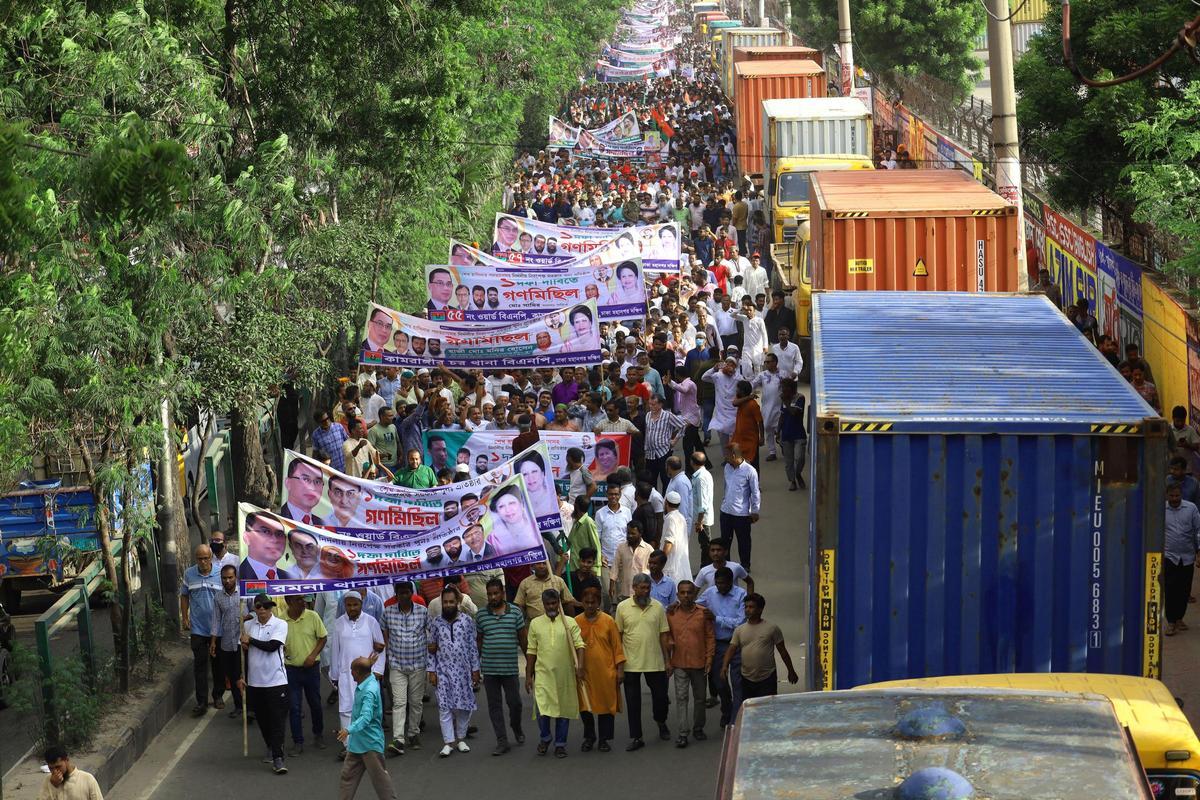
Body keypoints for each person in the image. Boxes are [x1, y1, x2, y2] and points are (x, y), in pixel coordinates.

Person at [525, 589, 587, 758]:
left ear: (559, 603)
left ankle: (560, 744)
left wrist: (580, 666)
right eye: (548, 604)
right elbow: (531, 650)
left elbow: (579, 645)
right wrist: (528, 674)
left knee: (563, 710)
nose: (552, 607)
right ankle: (545, 738)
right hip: (543, 674)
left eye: (554, 603)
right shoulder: (536, 624)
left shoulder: (569, 623)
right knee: (542, 710)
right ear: (543, 605)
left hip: (565, 675)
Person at [615, 573, 672, 750]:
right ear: (634, 588)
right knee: (633, 702)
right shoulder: (622, 607)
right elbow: (618, 636)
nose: (645, 591)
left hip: (655, 662)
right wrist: (619, 665)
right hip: (630, 663)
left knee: (661, 699)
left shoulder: (658, 607)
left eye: (648, 588)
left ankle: (661, 721)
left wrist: (667, 660)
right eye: (642, 588)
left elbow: (664, 635)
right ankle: (637, 737)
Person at [330, 593, 387, 756]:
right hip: (346, 674)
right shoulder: (339, 624)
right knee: (346, 708)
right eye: (349, 605)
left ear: (361, 604)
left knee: (367, 709)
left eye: (355, 605)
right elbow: (335, 650)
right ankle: (348, 747)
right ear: (344, 606)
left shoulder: (371, 621)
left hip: (368, 675)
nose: (352, 608)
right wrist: (335, 674)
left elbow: (380, 648)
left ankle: (367, 743)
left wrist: (378, 671)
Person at [427, 586, 481, 758]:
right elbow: (431, 648)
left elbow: (473, 647)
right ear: (441, 603)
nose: (448, 605)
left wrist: (475, 669)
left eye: (451, 602)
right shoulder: (436, 622)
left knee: (464, 706)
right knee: (444, 706)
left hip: (463, 671)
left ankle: (461, 738)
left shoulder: (467, 621)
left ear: (457, 602)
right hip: (443, 671)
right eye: (445, 602)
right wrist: (431, 671)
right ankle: (448, 742)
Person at [476, 577, 527, 755]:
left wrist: (530, 664)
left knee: (515, 703)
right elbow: (479, 642)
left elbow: (522, 639)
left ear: (503, 593)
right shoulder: (481, 615)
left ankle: (516, 726)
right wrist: (477, 667)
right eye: (489, 594)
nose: (492, 597)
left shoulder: (515, 612)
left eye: (496, 593)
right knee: (494, 706)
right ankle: (502, 740)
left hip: (510, 669)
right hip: (490, 669)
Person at [240, 593, 291, 774]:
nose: (262, 610)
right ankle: (271, 745)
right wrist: (242, 676)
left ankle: (278, 757)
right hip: (255, 682)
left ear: (271, 608)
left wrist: (251, 640)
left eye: (266, 606)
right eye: (259, 606)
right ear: (254, 608)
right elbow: (244, 654)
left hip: (276, 681)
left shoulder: (280, 624)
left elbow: (272, 646)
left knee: (277, 720)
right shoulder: (246, 625)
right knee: (262, 719)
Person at [721, 593, 799, 709]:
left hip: (767, 678)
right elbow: (731, 649)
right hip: (746, 678)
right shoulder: (739, 630)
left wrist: (791, 671)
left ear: (760, 609)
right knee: (750, 709)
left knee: (767, 709)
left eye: (751, 607)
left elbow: (783, 651)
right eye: (746, 607)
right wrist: (724, 666)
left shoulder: (772, 628)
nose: (747, 610)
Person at [574, 580, 625, 752]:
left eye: (593, 602)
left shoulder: (608, 621)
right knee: (585, 707)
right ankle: (589, 737)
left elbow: (617, 647)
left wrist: (620, 671)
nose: (589, 606)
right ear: (582, 602)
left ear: (598, 603)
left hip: (606, 672)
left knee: (606, 706)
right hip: (584, 673)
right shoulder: (575, 622)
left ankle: (604, 739)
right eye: (586, 602)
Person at [336, 656, 396, 800]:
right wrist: (370, 663)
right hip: (357, 743)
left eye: (352, 670)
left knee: (381, 781)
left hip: (370, 745)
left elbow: (366, 717)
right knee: (347, 777)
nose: (351, 673)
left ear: (357, 672)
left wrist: (348, 730)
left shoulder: (369, 691)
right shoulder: (368, 679)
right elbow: (366, 668)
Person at [667, 580, 715, 748]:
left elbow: (710, 637)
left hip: (700, 663)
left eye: (689, 592)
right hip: (679, 663)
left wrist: (709, 659)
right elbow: (667, 636)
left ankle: (698, 728)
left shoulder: (704, 614)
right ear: (678, 595)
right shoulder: (671, 614)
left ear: (694, 594)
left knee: (700, 699)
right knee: (681, 698)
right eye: (682, 593)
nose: (686, 596)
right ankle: (682, 733)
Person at [381, 580, 428, 756]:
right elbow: (384, 632)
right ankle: (398, 739)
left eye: (407, 592)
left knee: (416, 702)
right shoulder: (388, 612)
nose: (404, 596)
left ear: (412, 593)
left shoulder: (423, 612)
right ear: (396, 595)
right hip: (396, 665)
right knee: (399, 703)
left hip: (418, 664)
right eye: (401, 593)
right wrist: (386, 654)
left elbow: (428, 633)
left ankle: (413, 733)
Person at [697, 568, 747, 728]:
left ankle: (735, 719)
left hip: (737, 643)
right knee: (720, 681)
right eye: (718, 583)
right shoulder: (710, 592)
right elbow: (696, 605)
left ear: (731, 582)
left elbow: (740, 622)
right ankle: (727, 709)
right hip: (719, 645)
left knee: (738, 682)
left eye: (724, 584)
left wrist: (716, 618)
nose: (720, 587)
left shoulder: (741, 595)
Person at [282, 594, 328, 755]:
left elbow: (323, 638)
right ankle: (298, 741)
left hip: (311, 668)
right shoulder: (281, 621)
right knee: (294, 707)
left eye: (303, 599)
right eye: (298, 599)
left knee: (315, 703)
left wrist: (312, 655)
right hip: (291, 670)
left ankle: (318, 734)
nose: (303, 602)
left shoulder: (312, 616)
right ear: (288, 601)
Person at [180, 543, 222, 716]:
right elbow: (184, 596)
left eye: (206, 558)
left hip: (217, 629)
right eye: (200, 558)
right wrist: (185, 617)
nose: (203, 562)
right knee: (200, 666)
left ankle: (217, 695)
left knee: (218, 664)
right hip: (197, 628)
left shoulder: (220, 573)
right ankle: (202, 702)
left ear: (211, 557)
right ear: (196, 559)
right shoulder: (189, 574)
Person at [209, 564, 247, 719]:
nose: (227, 580)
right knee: (232, 675)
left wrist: (246, 617)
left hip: (242, 641)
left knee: (244, 674)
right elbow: (216, 620)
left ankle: (250, 706)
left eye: (230, 577)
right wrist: (213, 642)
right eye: (224, 578)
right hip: (226, 642)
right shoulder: (218, 597)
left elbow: (255, 611)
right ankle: (238, 706)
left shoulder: (244, 593)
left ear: (235, 577)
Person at [1165, 483, 1200, 636]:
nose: (1174, 499)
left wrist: (1199, 552)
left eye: (1177, 496)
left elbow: (1198, 530)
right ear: (1167, 496)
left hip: (1187, 557)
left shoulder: (1191, 509)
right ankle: (1171, 621)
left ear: (1181, 495)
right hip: (1169, 556)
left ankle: (1180, 618)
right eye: (1171, 496)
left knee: (1184, 590)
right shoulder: (1161, 510)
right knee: (1170, 589)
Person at [721, 444, 761, 570]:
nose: (724, 457)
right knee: (725, 541)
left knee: (743, 542)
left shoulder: (750, 471)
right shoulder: (727, 467)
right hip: (726, 511)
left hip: (741, 514)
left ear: (733, 455)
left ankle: (745, 565)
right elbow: (726, 487)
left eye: (726, 454)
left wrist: (755, 511)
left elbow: (755, 492)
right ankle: (725, 565)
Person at [239, 511, 294, 582]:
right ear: (246, 537)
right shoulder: (236, 575)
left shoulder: (289, 578)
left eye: (279, 534)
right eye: (265, 532)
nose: (275, 540)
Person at [38, 745, 103, 800]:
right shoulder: (49, 780)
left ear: (67, 760)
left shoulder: (87, 779)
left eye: (58, 767)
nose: (55, 771)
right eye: (51, 768)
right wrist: (54, 786)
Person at [613, 520, 654, 603]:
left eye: (633, 533)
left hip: (642, 592)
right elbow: (615, 566)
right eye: (628, 533)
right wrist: (612, 585)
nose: (629, 536)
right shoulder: (621, 548)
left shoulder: (649, 549)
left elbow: (652, 571)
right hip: (625, 591)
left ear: (640, 533)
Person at [516, 450, 562, 520]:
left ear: (543, 473)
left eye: (534, 471)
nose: (530, 478)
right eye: (525, 474)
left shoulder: (553, 500)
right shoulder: (517, 505)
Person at [779, 378, 807, 490]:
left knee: (799, 457)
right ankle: (792, 481)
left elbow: (794, 412)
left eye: (784, 388)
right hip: (786, 434)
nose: (782, 391)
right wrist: (778, 430)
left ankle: (798, 473)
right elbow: (782, 415)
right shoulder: (784, 399)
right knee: (788, 461)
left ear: (791, 389)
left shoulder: (800, 398)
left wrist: (786, 401)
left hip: (799, 434)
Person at [731, 381, 764, 469]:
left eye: (737, 389)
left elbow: (760, 421)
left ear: (742, 391)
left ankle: (755, 481)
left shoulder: (752, 404)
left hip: (751, 439)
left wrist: (762, 437)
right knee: (740, 463)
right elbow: (734, 403)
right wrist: (749, 397)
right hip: (739, 439)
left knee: (753, 463)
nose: (736, 390)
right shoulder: (741, 401)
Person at [661, 491, 691, 584]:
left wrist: (660, 560)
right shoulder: (681, 517)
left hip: (671, 566)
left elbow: (669, 542)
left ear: (666, 503)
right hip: (681, 563)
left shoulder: (670, 518)